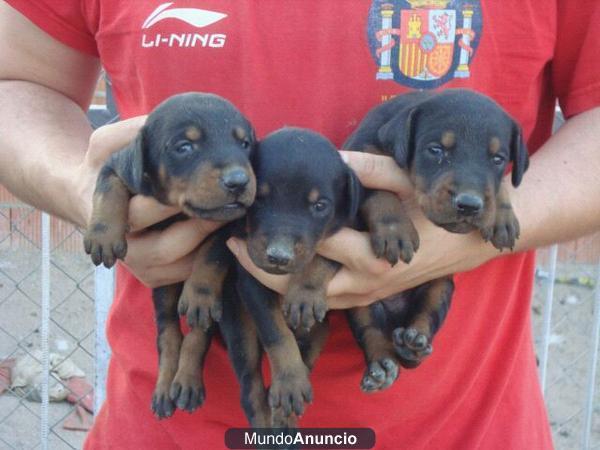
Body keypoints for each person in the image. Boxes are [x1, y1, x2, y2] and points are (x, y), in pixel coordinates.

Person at [0, 0, 599, 448]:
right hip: (168, 425)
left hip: (467, 428)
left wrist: (479, 232)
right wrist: (94, 195)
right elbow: (16, 82)